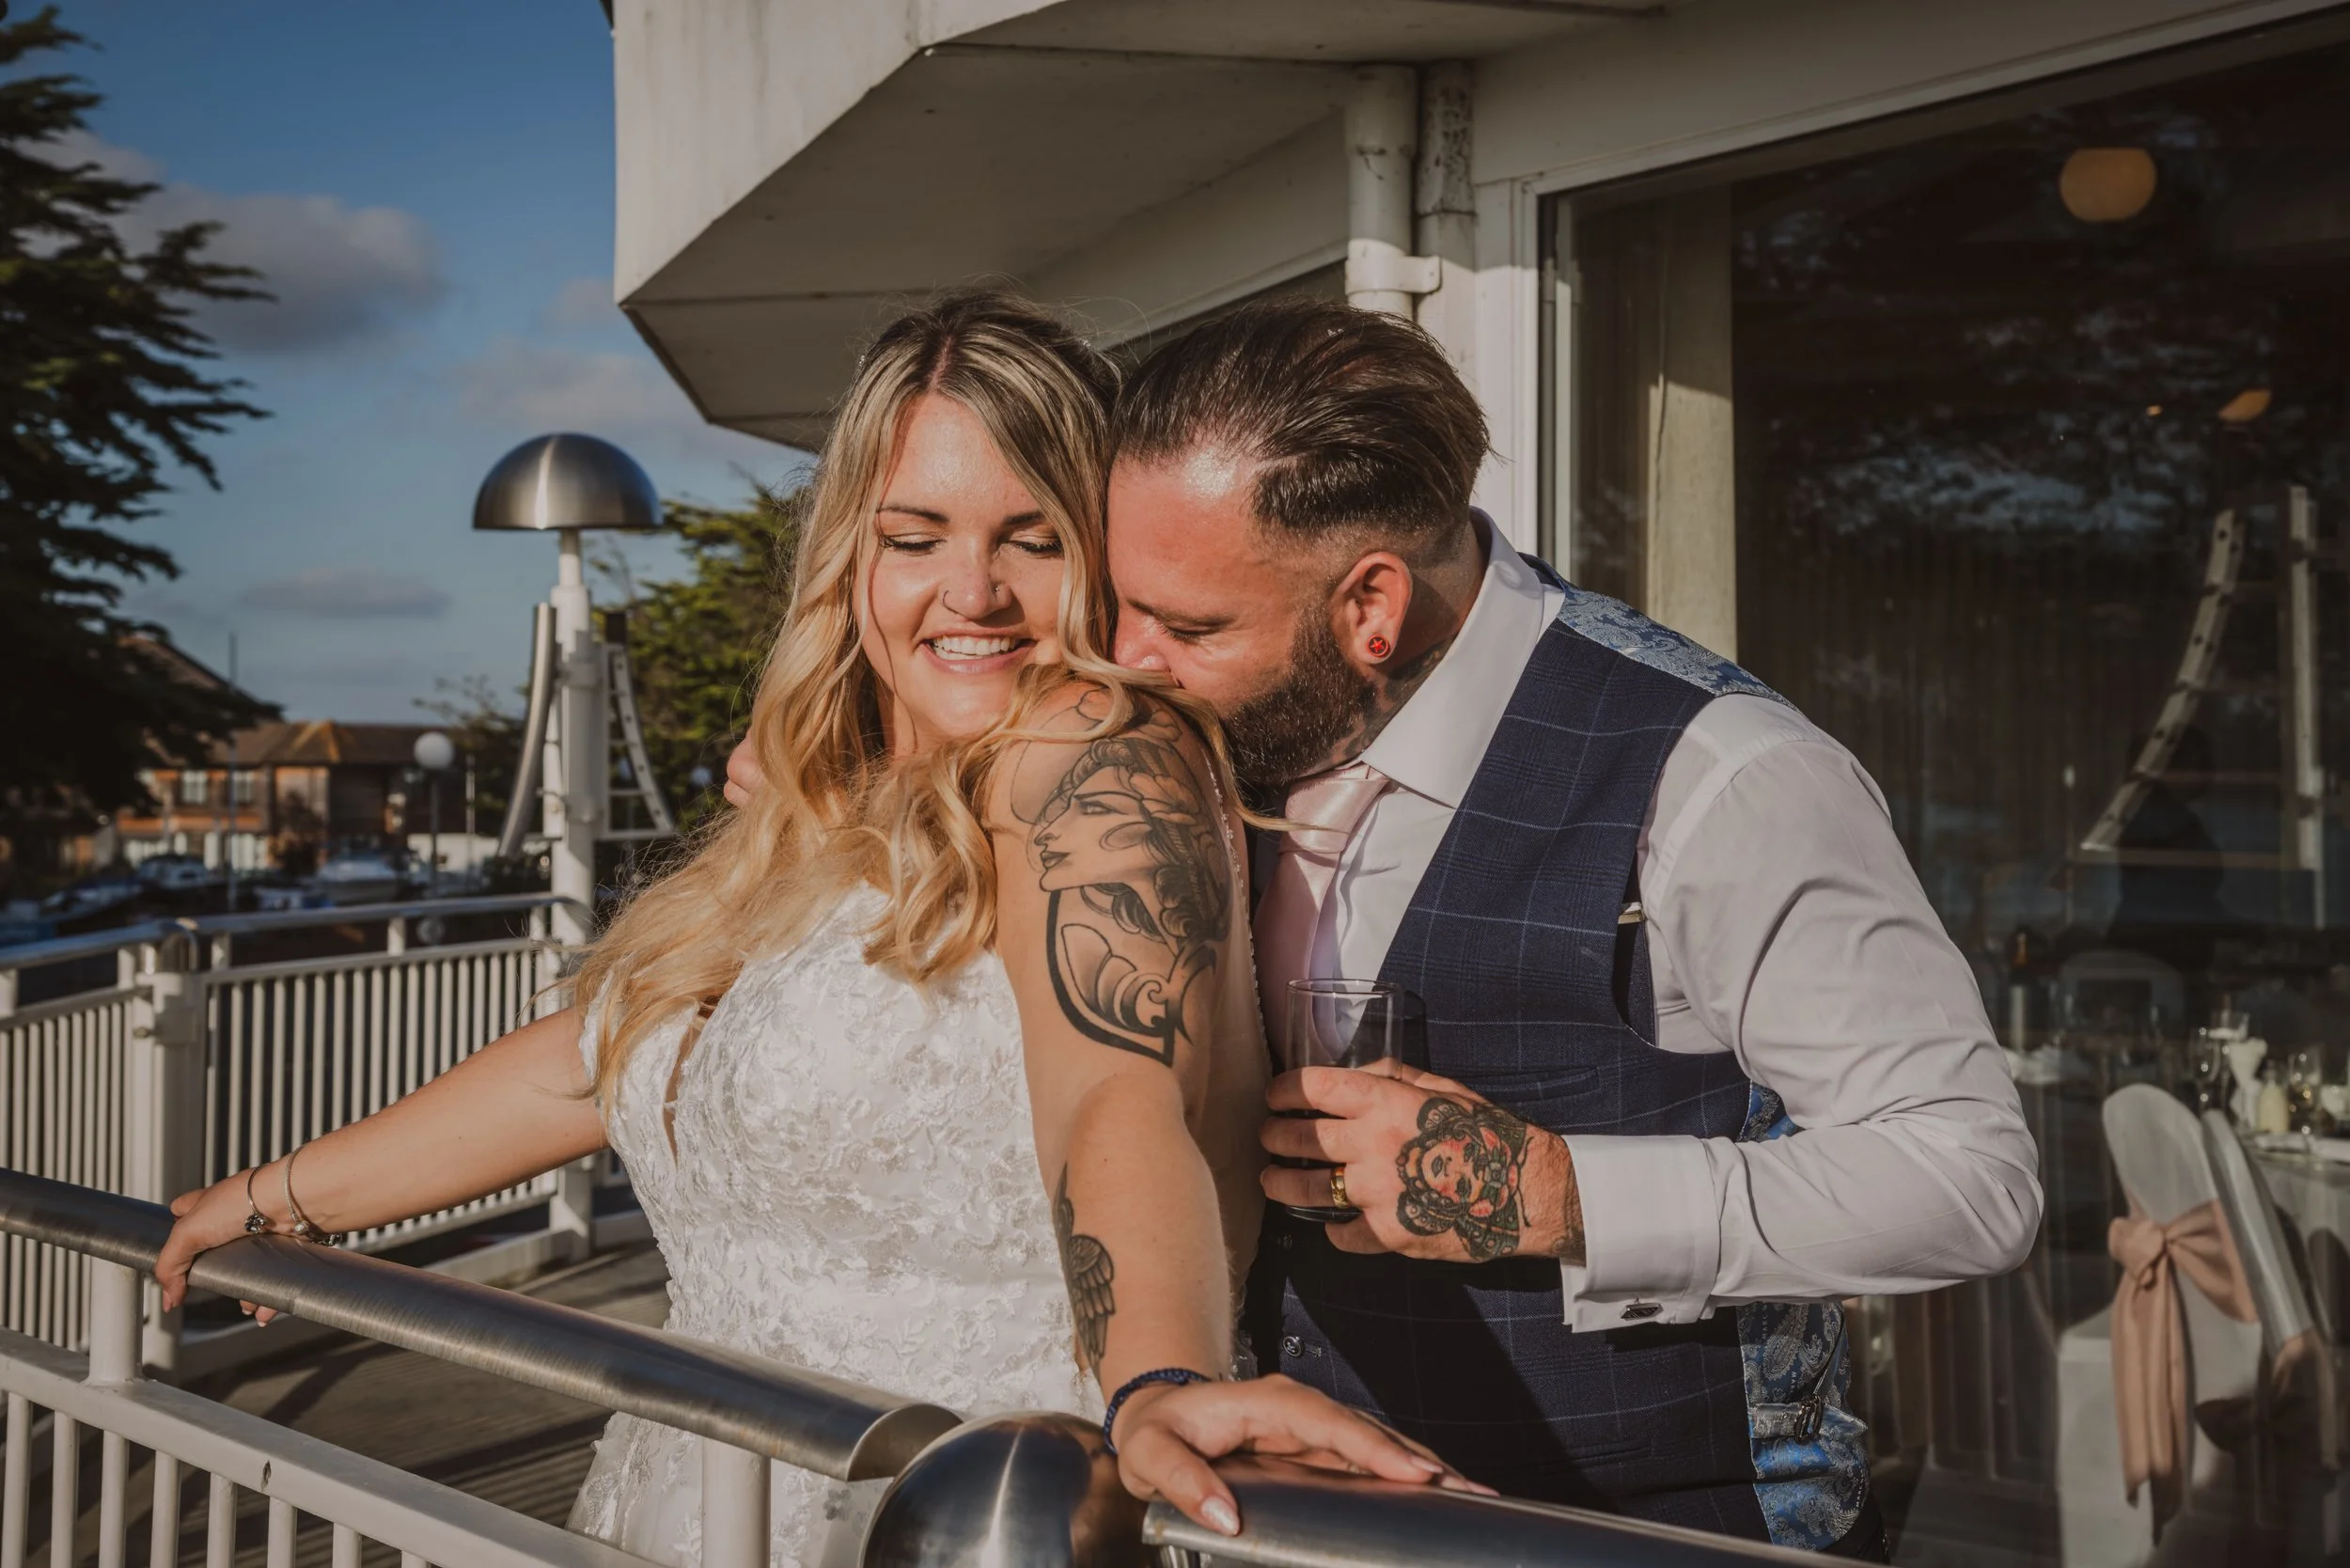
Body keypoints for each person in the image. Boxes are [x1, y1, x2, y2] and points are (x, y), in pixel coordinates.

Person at [153, 290, 1468, 1568]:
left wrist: (1161, 1378)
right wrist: (272, 1197)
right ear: (851, 553)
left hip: (977, 1501)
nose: (976, 590)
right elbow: (598, 1059)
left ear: (1101, 559)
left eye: (1034, 536)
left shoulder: (1092, 756)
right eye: (915, 536)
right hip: (694, 1483)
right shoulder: (821, 798)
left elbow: (1120, 1094)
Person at [1094, 299, 2044, 1556]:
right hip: (1307, 1532)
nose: (1123, 657)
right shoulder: (1203, 751)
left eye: (1190, 626)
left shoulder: (1721, 777)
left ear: (1369, 606)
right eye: (1125, 604)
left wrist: (1555, 1193)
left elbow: (1971, 1178)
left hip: (1657, 1537)